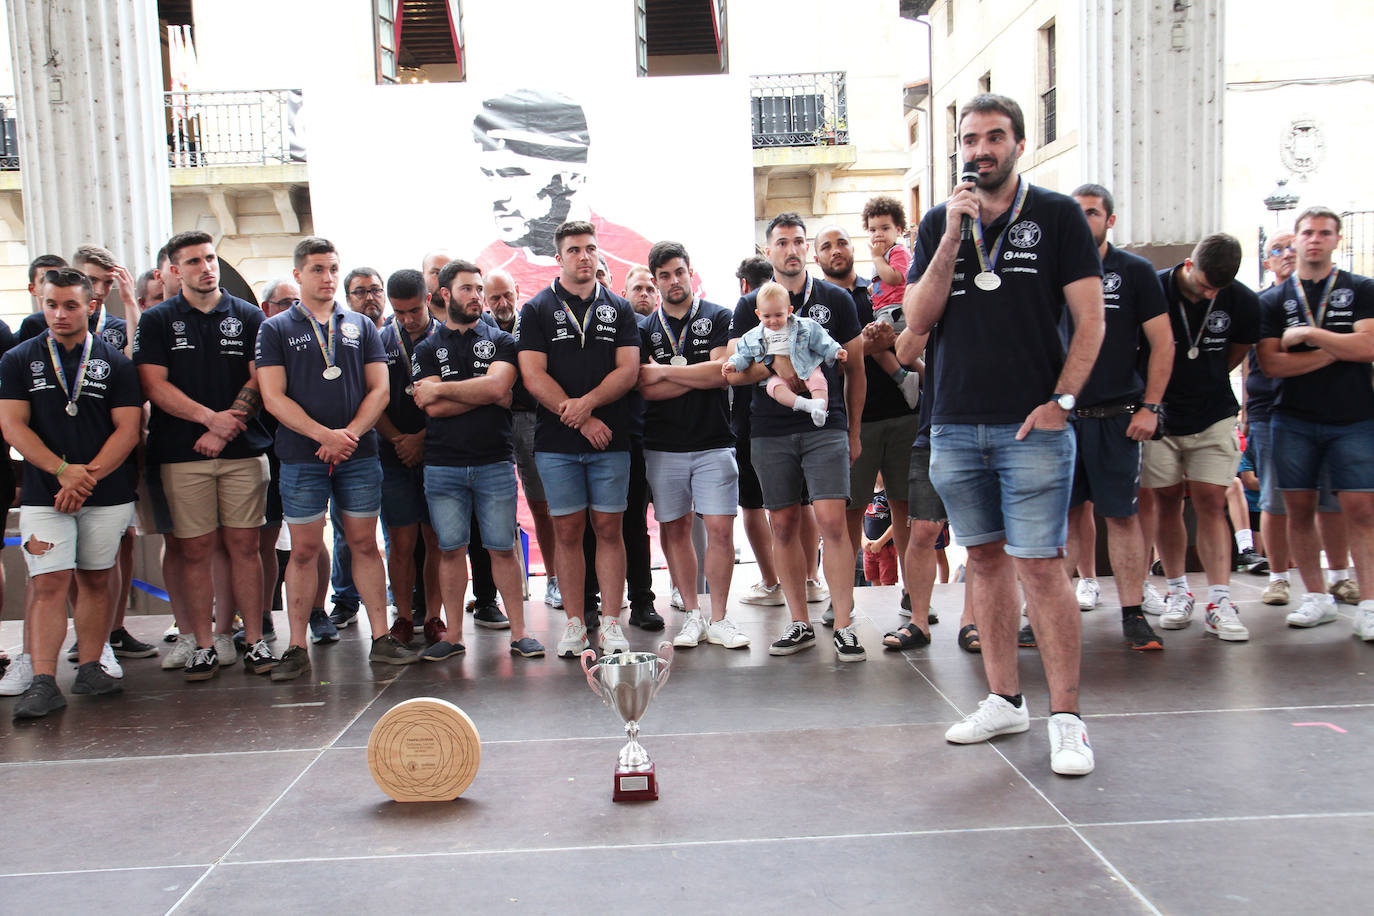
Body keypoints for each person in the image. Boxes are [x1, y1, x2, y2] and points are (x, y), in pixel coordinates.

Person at [905, 94, 1105, 775]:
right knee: (983, 563)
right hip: (954, 424)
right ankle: (1004, 700)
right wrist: (955, 235)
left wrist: (1063, 401)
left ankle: (1069, 719)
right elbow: (919, 319)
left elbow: (1092, 321)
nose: (980, 148)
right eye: (970, 138)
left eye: (994, 136)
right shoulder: (939, 223)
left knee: (1042, 567)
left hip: (1033, 429)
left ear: (1018, 144)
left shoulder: (1055, 217)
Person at [254, 236, 419, 680]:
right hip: (303, 456)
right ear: (298, 275)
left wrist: (347, 435)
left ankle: (382, 639)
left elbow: (379, 390)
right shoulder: (276, 328)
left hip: (358, 454)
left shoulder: (362, 326)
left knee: (366, 543)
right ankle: (294, 646)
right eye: (317, 269)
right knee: (304, 550)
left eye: (332, 269)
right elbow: (272, 397)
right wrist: (322, 435)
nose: (326, 278)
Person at [133, 230, 278, 678]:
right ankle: (201, 644)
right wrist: (208, 420)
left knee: (245, 546)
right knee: (194, 550)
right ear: (175, 271)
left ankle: (253, 639)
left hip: (243, 450)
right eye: (193, 261)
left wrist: (227, 423)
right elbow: (153, 385)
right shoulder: (156, 321)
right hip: (181, 453)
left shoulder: (250, 316)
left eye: (210, 258)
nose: (206, 267)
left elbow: (260, 379)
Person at [0, 268, 143, 719]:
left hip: (105, 490)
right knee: (48, 582)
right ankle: (43, 680)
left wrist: (86, 478)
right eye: (51, 305)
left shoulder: (115, 362)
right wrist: (61, 472)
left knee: (96, 577)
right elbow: (12, 424)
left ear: (91, 306)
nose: (59, 314)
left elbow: (128, 428)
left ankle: (90, 667)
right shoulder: (19, 359)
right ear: (41, 303)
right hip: (46, 491)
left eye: (70, 305)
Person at [729, 213, 866, 661]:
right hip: (770, 429)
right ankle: (798, 623)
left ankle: (844, 625)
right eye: (781, 242)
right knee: (783, 525)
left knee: (831, 522)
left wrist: (855, 430)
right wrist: (776, 367)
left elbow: (855, 368)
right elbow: (735, 373)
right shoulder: (750, 306)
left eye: (798, 242)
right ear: (768, 252)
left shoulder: (836, 299)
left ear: (807, 249)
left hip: (827, 426)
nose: (791, 249)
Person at [515, 220, 641, 658]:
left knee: (609, 530)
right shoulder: (536, 309)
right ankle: (573, 623)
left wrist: (587, 404)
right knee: (567, 532)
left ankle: (609, 624)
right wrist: (582, 417)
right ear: (559, 257)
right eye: (574, 250)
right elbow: (532, 376)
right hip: (558, 442)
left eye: (590, 248)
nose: (584, 256)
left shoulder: (619, 308)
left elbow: (628, 371)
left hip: (612, 440)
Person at [412, 259, 544, 659]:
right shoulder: (426, 347)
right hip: (443, 463)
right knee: (450, 549)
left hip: (494, 460)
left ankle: (520, 634)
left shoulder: (502, 340)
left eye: (479, 289)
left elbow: (500, 389)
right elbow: (430, 407)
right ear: (445, 294)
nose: (477, 296)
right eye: (467, 288)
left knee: (502, 546)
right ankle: (453, 637)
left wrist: (445, 390)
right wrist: (482, 392)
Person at [1061, 183, 1174, 651]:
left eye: (1091, 212)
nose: (1083, 220)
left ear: (1109, 220)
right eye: (1076, 213)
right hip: (1062, 418)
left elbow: (1163, 344)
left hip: (1116, 416)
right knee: (1062, 518)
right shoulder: (1050, 271)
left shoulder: (1135, 272)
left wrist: (1150, 406)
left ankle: (1132, 613)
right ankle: (1048, 612)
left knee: (1122, 517)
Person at [1255, 207, 1374, 638]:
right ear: (1297, 239)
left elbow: (1369, 348)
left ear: (1336, 240)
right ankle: (1316, 598)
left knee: (1360, 510)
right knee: (1298, 510)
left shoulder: (1361, 288)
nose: (1314, 240)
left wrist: (1311, 337)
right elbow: (1271, 363)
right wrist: (1340, 349)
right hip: (1293, 419)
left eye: (1324, 233)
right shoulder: (1273, 299)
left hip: (1354, 417)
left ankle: (1369, 604)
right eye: (1307, 233)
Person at [1142, 233, 1259, 642]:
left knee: (1212, 501)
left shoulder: (1241, 299)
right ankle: (1177, 591)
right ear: (1189, 263)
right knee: (1167, 501)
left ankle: (1220, 600)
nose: (1210, 292)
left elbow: (1238, 351)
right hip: (1161, 415)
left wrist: (1207, 378)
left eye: (1217, 289)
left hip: (1212, 414)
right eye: (1205, 283)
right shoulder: (1154, 287)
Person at [637, 241, 747, 649]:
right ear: (656, 281)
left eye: (678, 272)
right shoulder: (644, 328)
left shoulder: (718, 315)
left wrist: (664, 373)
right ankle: (692, 616)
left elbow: (721, 373)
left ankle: (719, 617)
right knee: (675, 530)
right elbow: (643, 388)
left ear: (690, 272)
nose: (673, 281)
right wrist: (689, 376)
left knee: (719, 529)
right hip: (662, 445)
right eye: (664, 275)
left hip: (714, 441)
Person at [814, 223, 922, 634]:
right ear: (817, 255)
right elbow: (832, 357)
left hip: (902, 412)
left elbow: (910, 335)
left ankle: (915, 592)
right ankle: (843, 598)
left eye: (842, 242)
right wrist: (865, 343)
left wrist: (885, 340)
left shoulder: (877, 288)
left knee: (905, 507)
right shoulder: (816, 302)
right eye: (827, 246)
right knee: (846, 515)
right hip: (850, 422)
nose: (836, 250)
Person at [1244, 233, 1353, 606]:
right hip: (1271, 410)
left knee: (1331, 499)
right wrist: (1246, 411)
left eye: (1292, 246)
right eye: (1277, 249)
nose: (1287, 253)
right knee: (1275, 499)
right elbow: (1254, 363)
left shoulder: (1334, 294)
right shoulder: (1263, 304)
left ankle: (1339, 576)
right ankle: (1278, 577)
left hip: (1329, 411)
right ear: (1266, 262)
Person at [472, 89, 656, 293]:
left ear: (573, 177)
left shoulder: (640, 259)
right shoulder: (486, 267)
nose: (499, 195)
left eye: (513, 174)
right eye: (490, 174)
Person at [484, 268, 561, 611]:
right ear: (485, 300)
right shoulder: (480, 330)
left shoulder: (531, 321)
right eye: (494, 298)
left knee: (543, 505)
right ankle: (494, 592)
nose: (502, 303)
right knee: (493, 510)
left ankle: (555, 579)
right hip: (492, 423)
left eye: (507, 295)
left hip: (530, 420)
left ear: (517, 290)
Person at [375, 269, 443, 646]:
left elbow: (454, 396)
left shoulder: (446, 338)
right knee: (400, 540)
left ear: (429, 300)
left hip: (437, 450)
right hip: (393, 451)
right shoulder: (380, 338)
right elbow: (373, 396)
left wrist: (421, 439)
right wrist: (400, 440)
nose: (407, 319)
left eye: (414, 310)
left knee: (436, 538)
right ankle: (402, 616)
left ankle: (433, 616)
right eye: (399, 312)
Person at [731, 256, 786, 607]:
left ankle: (771, 582)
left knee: (753, 503)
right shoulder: (786, 301)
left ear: (744, 285)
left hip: (754, 419)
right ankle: (809, 579)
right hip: (795, 415)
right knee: (797, 504)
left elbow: (736, 361)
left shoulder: (746, 304)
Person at [725, 281, 847, 427]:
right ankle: (806, 405)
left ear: (789, 311)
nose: (773, 321)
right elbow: (743, 354)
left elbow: (822, 340)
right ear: (758, 314)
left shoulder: (804, 325)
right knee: (773, 388)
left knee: (818, 380)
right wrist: (733, 364)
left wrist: (836, 351)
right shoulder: (752, 336)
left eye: (778, 315)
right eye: (767, 316)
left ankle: (821, 410)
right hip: (777, 375)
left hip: (806, 366)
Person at [863, 195, 912, 322]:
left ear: (898, 230)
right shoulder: (881, 255)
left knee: (876, 337)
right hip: (881, 309)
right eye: (873, 230)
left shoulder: (899, 251)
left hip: (896, 309)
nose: (878, 234)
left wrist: (877, 257)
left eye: (885, 228)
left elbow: (893, 278)